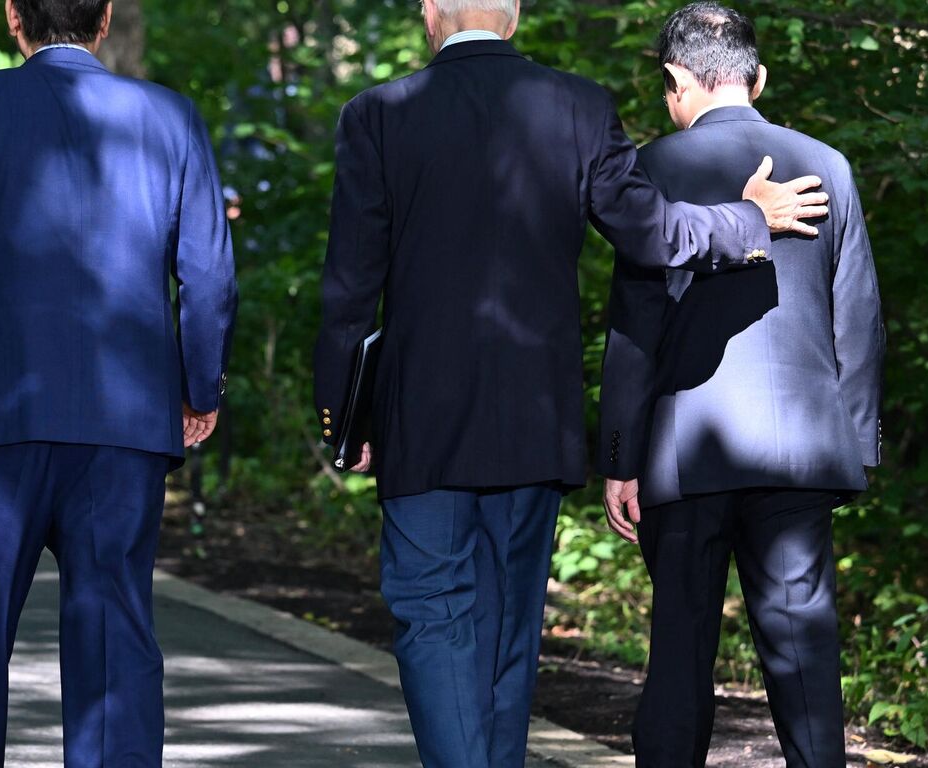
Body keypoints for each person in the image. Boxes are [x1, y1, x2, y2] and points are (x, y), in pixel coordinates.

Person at [312, 0, 831, 765]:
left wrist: (345, 416)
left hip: (417, 418)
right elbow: (652, 235)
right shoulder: (579, 106)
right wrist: (744, 219)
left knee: (433, 617)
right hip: (534, 416)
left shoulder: (377, 115)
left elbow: (349, 285)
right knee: (510, 629)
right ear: (513, 14)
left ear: (430, 13)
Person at [0, 0, 237, 764]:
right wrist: (199, 390)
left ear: (14, 16)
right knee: (113, 634)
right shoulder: (171, 117)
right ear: (105, 18)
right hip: (125, 423)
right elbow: (208, 273)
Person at [594, 5, 885, 767]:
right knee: (805, 661)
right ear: (759, 77)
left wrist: (618, 456)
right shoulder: (829, 165)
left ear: (674, 83)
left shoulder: (651, 172)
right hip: (802, 453)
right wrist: (853, 447)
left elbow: (634, 326)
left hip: (684, 453)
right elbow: (857, 320)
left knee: (680, 656)